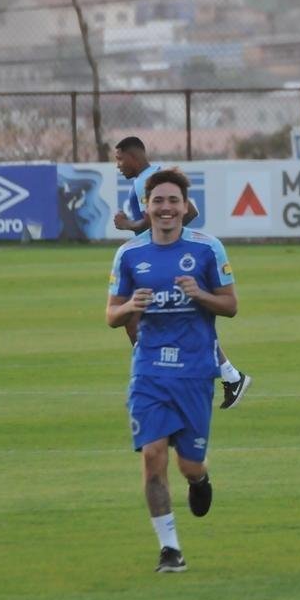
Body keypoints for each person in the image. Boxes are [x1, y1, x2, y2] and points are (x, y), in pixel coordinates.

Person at [107, 168, 238, 572]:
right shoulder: (130, 255)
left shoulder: (207, 249)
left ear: (185, 207)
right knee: (153, 455)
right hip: (149, 372)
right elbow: (112, 314)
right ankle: (170, 549)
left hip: (196, 373)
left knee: (189, 465)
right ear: (145, 208)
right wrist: (131, 307)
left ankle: (199, 481)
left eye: (173, 201)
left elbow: (230, 305)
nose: (166, 208)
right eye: (158, 201)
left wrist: (199, 294)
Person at [113, 136, 250, 409]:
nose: (118, 166)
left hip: (169, 257)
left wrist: (128, 224)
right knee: (178, 318)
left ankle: (157, 374)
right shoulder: (160, 173)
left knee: (146, 317)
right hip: (172, 254)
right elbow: (183, 214)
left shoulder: (144, 182)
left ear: (133, 156)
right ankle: (229, 375)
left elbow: (166, 219)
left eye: (119, 159)